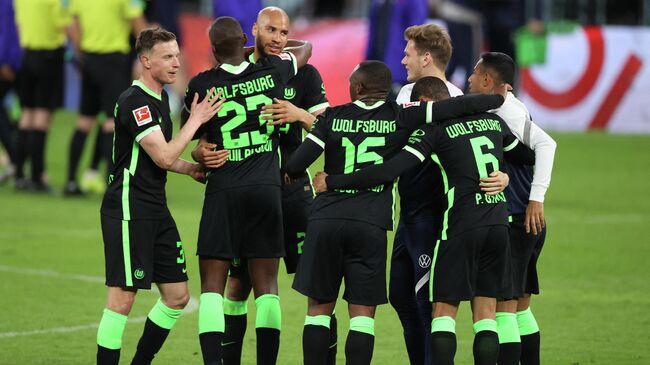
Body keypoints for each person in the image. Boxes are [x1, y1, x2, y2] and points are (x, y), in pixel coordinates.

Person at [285, 62, 507, 365]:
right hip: (370, 224)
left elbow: (296, 164)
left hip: (326, 220)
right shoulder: (401, 116)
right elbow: (455, 109)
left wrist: (314, 177)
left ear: (359, 88)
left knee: (318, 312)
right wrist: (496, 98)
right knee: (362, 317)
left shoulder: (332, 117)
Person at [190, 7, 332, 364]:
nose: (279, 38)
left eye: (284, 32)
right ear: (250, 34)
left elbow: (330, 130)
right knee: (249, 286)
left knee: (316, 287)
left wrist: (300, 114)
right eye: (270, 30)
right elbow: (305, 47)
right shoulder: (274, 72)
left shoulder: (203, 83)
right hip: (266, 189)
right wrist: (199, 151)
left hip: (283, 192)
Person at [96, 28, 223, 365]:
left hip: (155, 208)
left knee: (177, 296)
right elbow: (164, 157)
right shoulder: (134, 102)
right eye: (167, 57)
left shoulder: (161, 98)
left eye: (177, 56)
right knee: (122, 300)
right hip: (128, 209)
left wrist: (191, 169)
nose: (176, 63)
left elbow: (161, 159)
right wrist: (195, 121)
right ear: (146, 60)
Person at [391, 23, 508, 365]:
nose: (402, 60)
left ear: (426, 57)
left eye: (408, 53)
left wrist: (502, 176)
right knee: (400, 296)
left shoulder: (458, 103)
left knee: (428, 304)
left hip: (435, 220)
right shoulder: (404, 95)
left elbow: (497, 145)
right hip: (406, 216)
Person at [467, 52, 556, 365]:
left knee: (504, 307)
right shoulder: (502, 107)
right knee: (520, 307)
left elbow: (547, 144)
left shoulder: (507, 110)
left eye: (474, 74)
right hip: (524, 221)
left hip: (518, 218)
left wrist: (536, 198)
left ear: (488, 80)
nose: (469, 79)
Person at [64, 0, 148, 195]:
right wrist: (148, 53)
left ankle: (70, 181)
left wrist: (81, 52)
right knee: (113, 122)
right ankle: (113, 182)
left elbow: (73, 25)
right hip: (113, 61)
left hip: (89, 59)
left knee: (84, 121)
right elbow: (139, 25)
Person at [13, 0, 70, 191]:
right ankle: (37, 176)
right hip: (49, 56)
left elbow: (19, 24)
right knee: (42, 117)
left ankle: (19, 174)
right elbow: (62, 24)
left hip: (27, 55)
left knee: (26, 115)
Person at [0, 0, 21, 184]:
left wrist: (3, 61)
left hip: (10, 63)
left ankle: (16, 161)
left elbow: (7, 31)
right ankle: (18, 163)